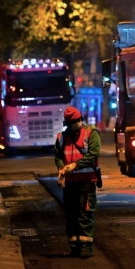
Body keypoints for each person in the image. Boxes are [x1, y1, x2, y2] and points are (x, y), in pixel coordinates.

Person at [55, 106, 101, 259]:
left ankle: (86, 247)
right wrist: (61, 169)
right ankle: (74, 247)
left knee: (85, 214)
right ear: (68, 123)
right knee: (71, 215)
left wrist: (75, 165)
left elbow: (93, 154)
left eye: (79, 120)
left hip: (87, 182)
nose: (78, 123)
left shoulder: (91, 134)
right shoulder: (61, 138)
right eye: (74, 122)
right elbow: (58, 157)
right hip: (70, 183)